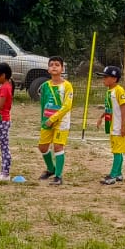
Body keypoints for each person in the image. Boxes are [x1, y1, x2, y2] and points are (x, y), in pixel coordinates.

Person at [37, 56, 73, 185]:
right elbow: (43, 104)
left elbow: (67, 105)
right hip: (47, 121)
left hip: (61, 121)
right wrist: (44, 120)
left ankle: (58, 176)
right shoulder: (45, 86)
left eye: (57, 65)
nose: (54, 67)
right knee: (42, 147)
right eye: (51, 64)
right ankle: (51, 169)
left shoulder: (67, 86)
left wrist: (53, 118)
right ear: (48, 69)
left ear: (62, 69)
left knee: (58, 146)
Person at [99, 65, 125, 185]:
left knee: (117, 151)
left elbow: (123, 107)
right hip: (112, 125)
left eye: (106, 77)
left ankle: (112, 175)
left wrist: (123, 126)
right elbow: (109, 107)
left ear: (114, 79)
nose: (104, 79)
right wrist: (101, 117)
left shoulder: (119, 90)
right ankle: (118, 173)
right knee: (117, 150)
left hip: (118, 126)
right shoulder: (109, 91)